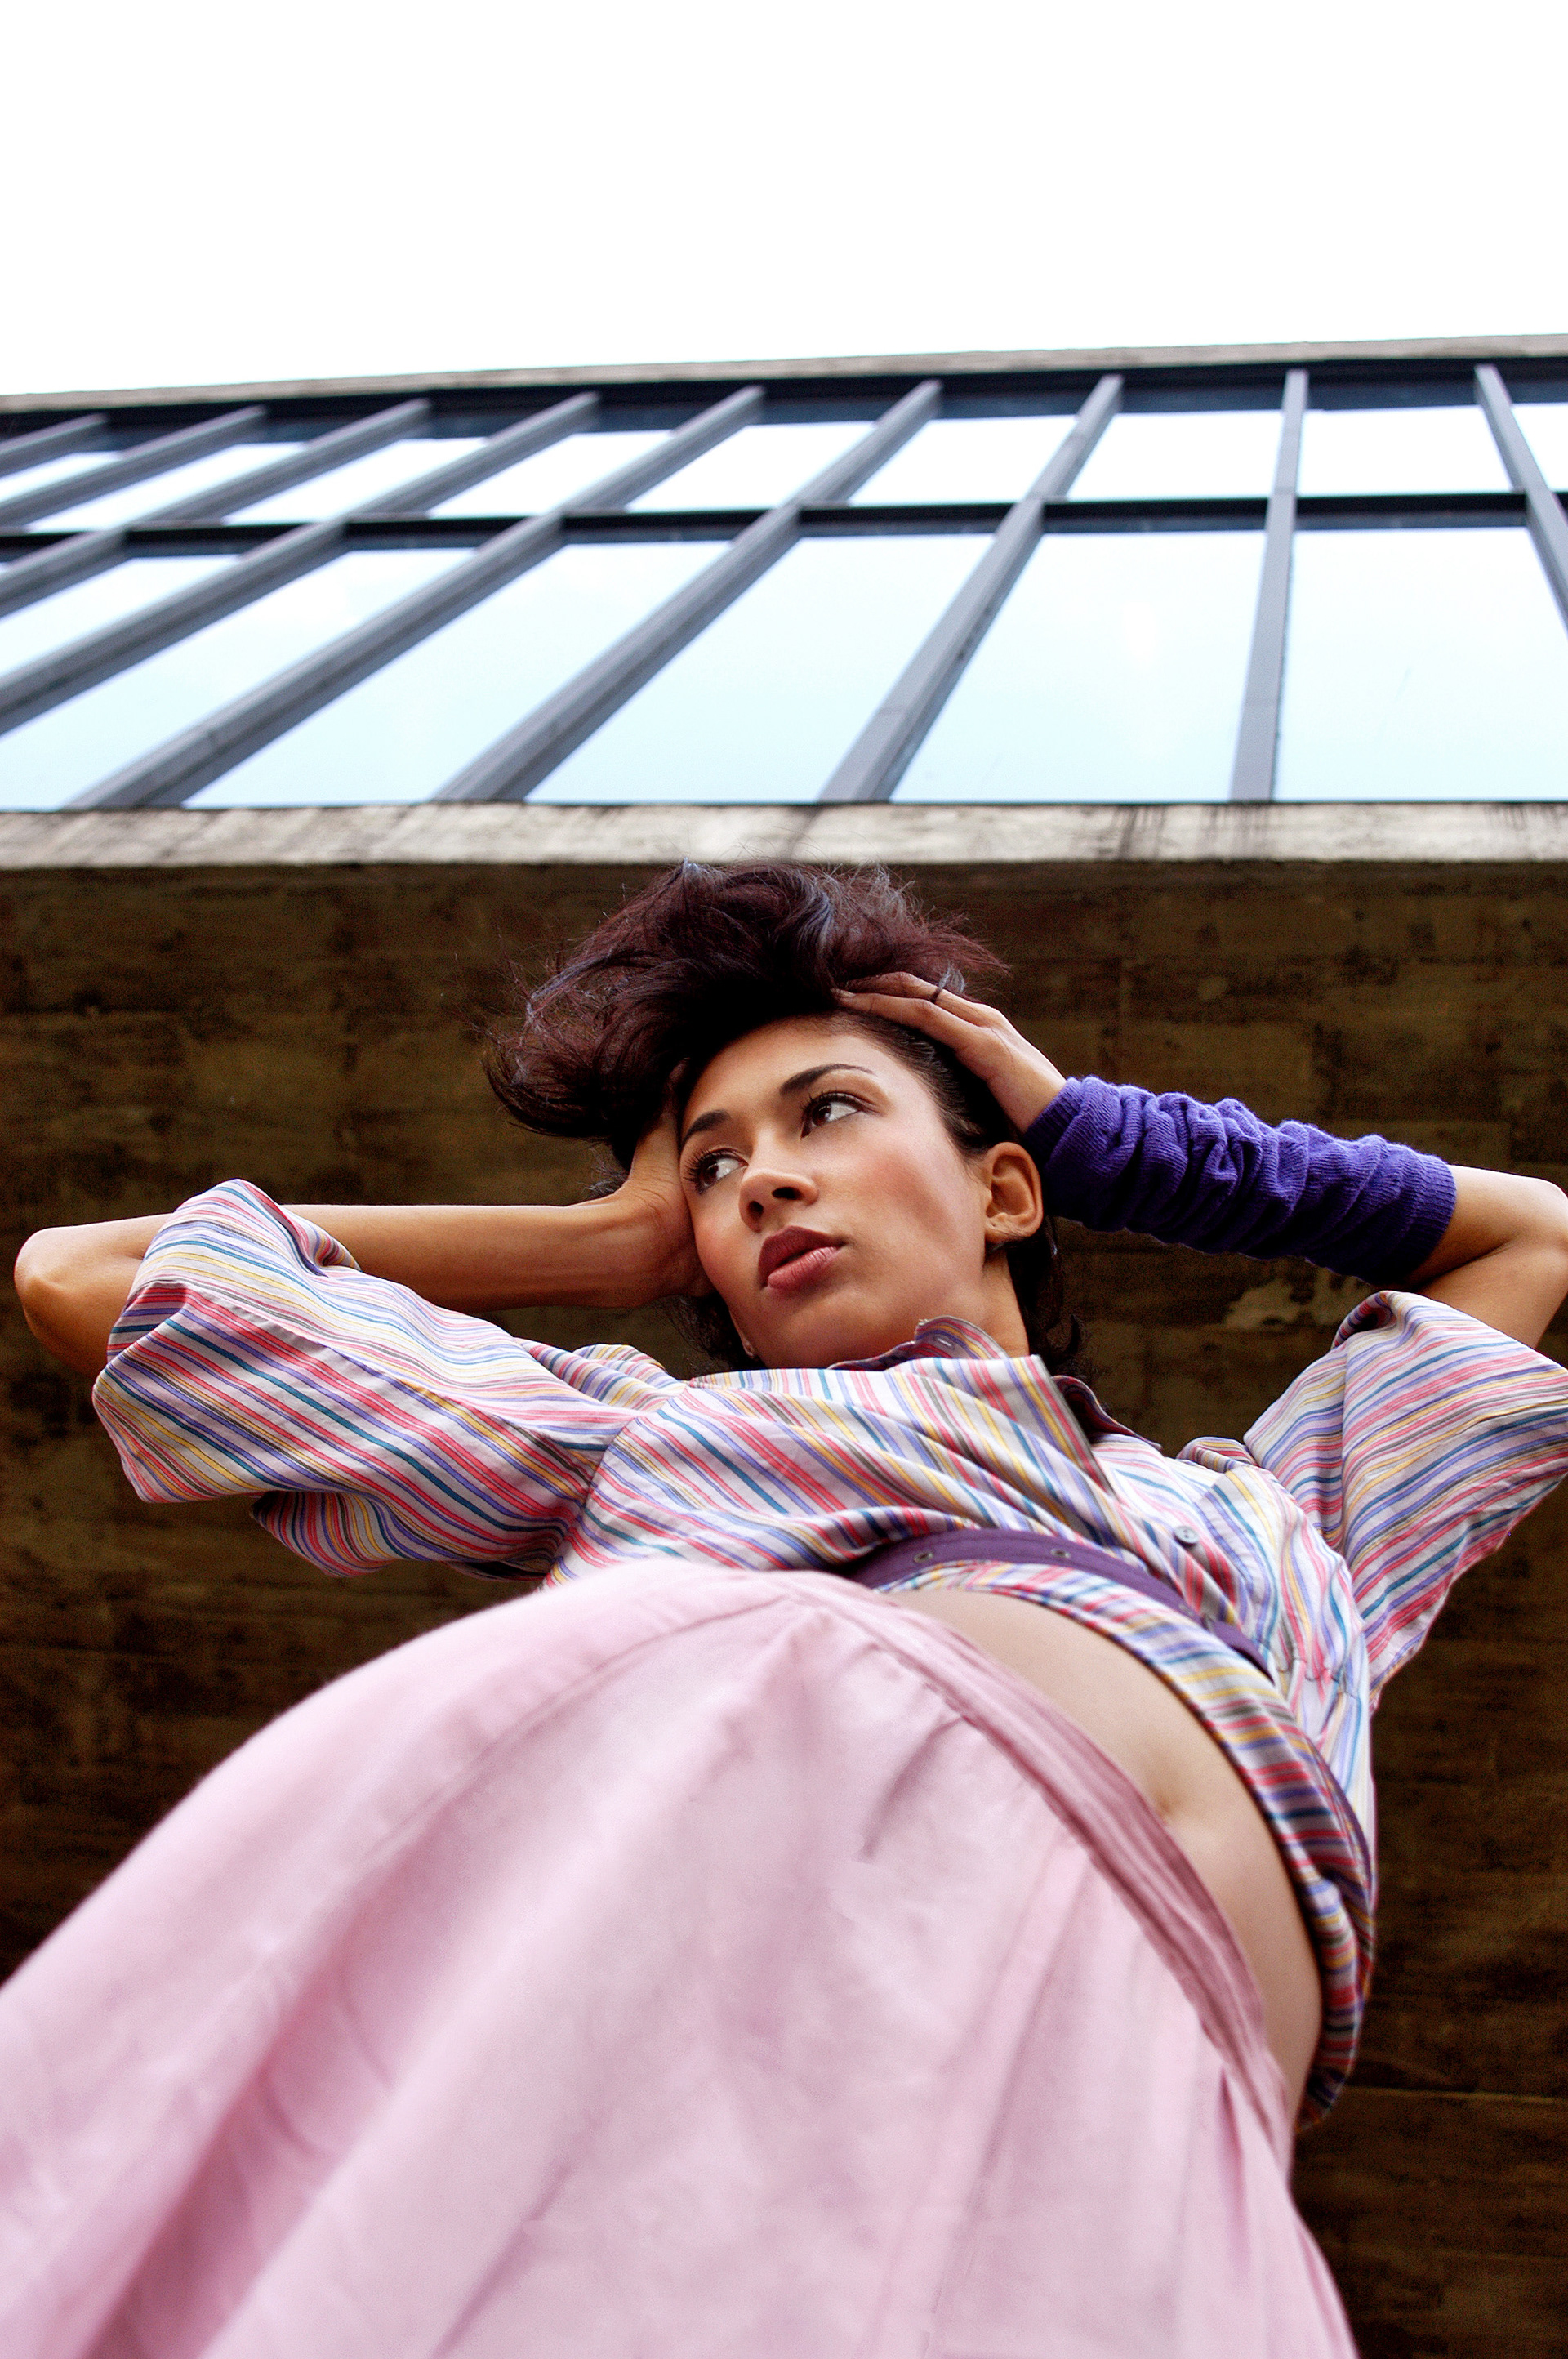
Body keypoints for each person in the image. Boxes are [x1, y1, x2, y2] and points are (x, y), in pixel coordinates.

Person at [8, 860, 1568, 2359]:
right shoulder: (643, 1434)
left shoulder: (1279, 1515)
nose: (763, 1176)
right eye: (712, 1167)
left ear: (1007, 1188)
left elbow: (1530, 1236)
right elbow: (96, 1279)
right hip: (750, 2048)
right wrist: (600, 1246)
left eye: (828, 1111)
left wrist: (1107, 1136)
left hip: (1165, 2158)